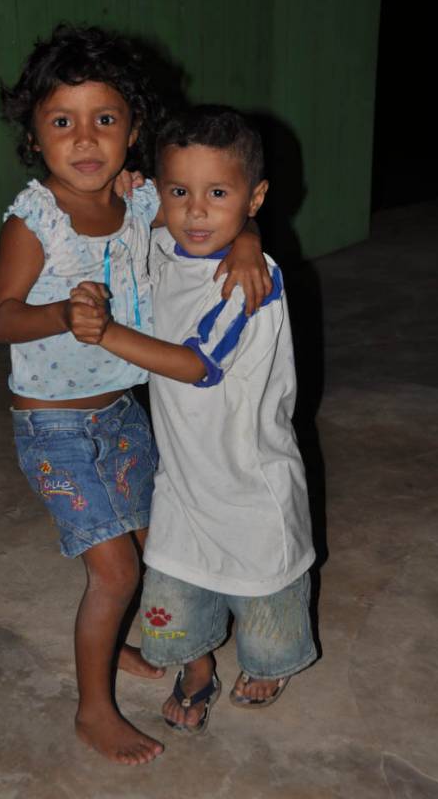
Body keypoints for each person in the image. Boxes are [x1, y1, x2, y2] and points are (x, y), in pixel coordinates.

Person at [0, 26, 271, 765]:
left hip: (124, 415)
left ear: (133, 130)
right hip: (54, 431)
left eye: (105, 119)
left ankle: (146, 651)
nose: (85, 138)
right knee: (114, 574)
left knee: (163, 549)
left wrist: (247, 240)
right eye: (62, 121)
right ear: (36, 137)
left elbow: (206, 220)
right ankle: (92, 710)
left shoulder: (141, 202)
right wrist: (60, 315)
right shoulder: (35, 221)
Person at [69, 104, 317, 737]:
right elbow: (142, 209)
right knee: (175, 598)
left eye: (218, 195)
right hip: (182, 477)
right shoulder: (164, 243)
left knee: (265, 599)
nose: (196, 211)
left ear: (254, 197)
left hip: (250, 482)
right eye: (180, 192)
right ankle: (196, 664)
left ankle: (268, 664)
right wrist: (140, 192)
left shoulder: (250, 282)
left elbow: (198, 366)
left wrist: (108, 333)